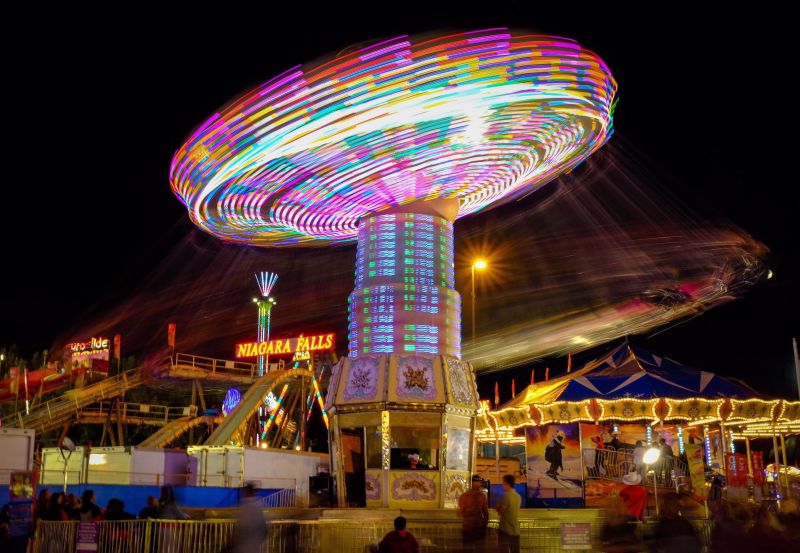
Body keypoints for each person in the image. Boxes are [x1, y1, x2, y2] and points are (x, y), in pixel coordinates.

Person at [231, 484, 267, 553]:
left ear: (247, 492)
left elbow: (243, 527)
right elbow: (264, 528)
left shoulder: (245, 506)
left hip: (245, 544)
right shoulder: (258, 505)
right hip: (254, 543)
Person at [458, 475, 488, 550]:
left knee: (467, 549)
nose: (478, 484)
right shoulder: (482, 496)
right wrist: (484, 526)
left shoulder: (464, 496)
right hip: (478, 527)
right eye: (477, 482)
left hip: (468, 527)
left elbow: (461, 512)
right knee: (479, 549)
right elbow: (486, 513)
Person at [496, 474, 521, 553]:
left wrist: (498, 507)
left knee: (503, 550)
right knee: (515, 551)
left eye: (503, 482)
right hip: (515, 529)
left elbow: (501, 512)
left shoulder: (506, 495)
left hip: (506, 529)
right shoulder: (518, 496)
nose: (502, 484)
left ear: (507, 483)